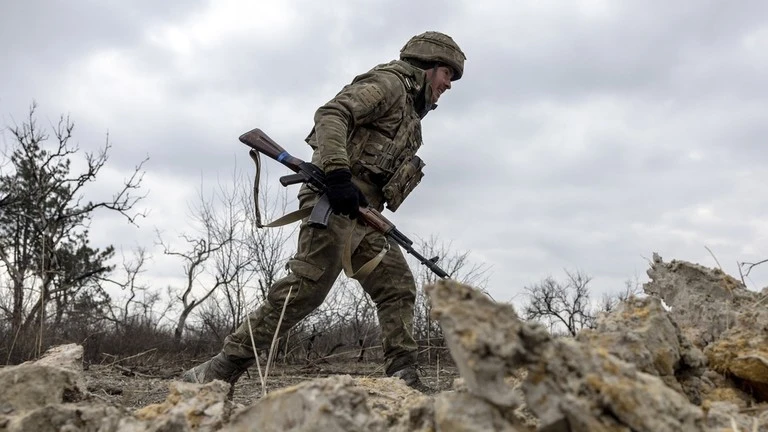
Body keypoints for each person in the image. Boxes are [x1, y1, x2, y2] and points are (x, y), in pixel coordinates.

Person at [182, 31, 466, 394]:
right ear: (427, 66)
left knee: (397, 287)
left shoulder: (412, 110)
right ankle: (219, 370)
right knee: (306, 290)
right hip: (334, 200)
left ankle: (404, 378)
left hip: (363, 212)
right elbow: (332, 114)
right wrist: (337, 173)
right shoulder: (389, 84)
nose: (449, 84)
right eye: (447, 74)